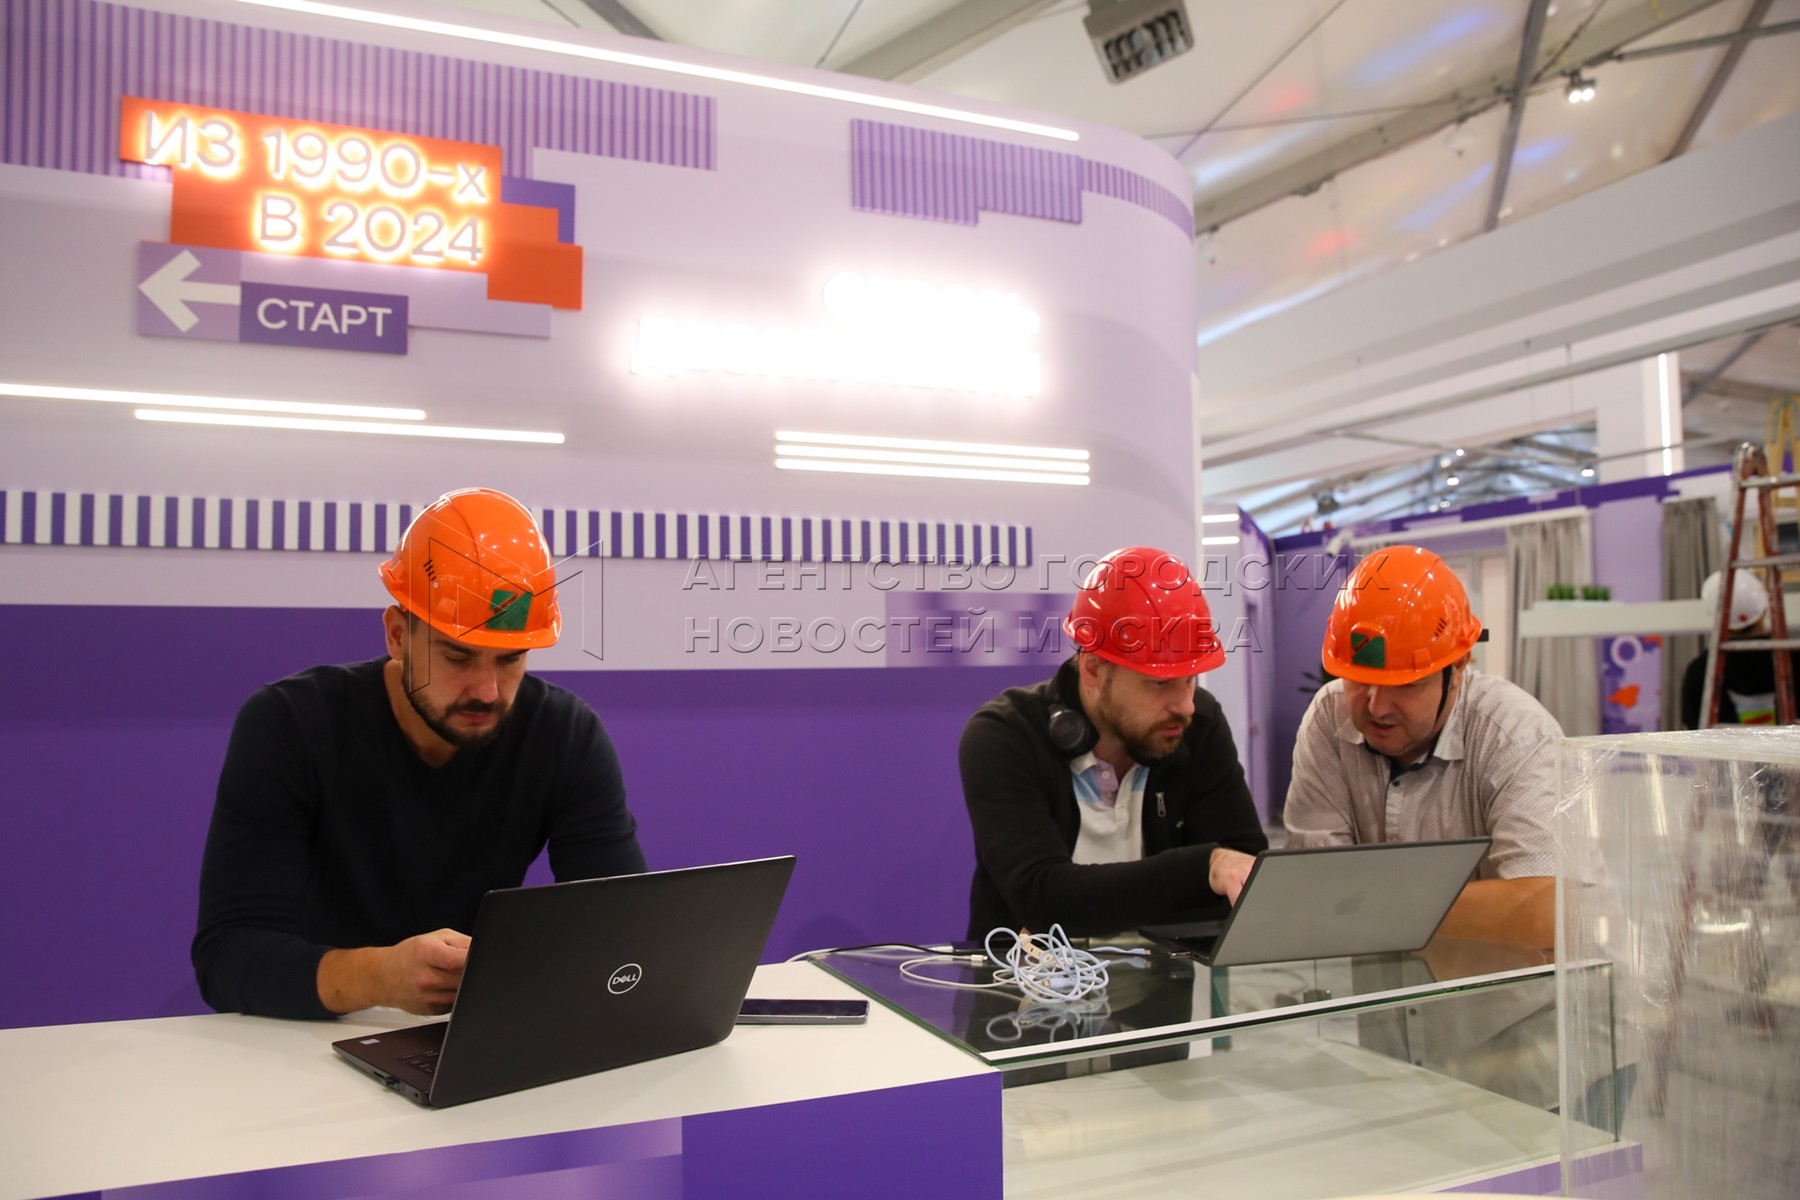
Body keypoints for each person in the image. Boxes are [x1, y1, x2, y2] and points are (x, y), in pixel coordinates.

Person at [193, 487, 646, 1020]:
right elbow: (227, 956)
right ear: (397, 635)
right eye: (457, 656)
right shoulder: (290, 723)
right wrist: (378, 976)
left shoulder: (565, 735)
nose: (487, 691)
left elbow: (623, 930)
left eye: (510, 660)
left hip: (469, 1032)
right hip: (309, 1033)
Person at [959, 545, 1268, 940]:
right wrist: (1204, 869)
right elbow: (1042, 899)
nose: (1186, 705)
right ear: (1093, 669)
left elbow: (1245, 878)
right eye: (1160, 683)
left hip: (1167, 978)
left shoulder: (1199, 725)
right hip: (1022, 978)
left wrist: (1083, 903)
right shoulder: (1004, 735)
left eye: (1190, 679)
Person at [1283, 545, 1561, 949]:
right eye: (1359, 680)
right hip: (1378, 985)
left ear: (1459, 666)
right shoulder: (1330, 716)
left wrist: (1367, 903)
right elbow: (1314, 883)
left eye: (1405, 685)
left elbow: (1544, 911)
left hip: (1507, 987)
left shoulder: (1514, 732)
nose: (1377, 707)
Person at [1680, 568, 1796, 728]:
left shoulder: (1702, 671)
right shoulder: (1791, 659)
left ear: (1715, 615)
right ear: (1764, 608)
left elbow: (1693, 727)